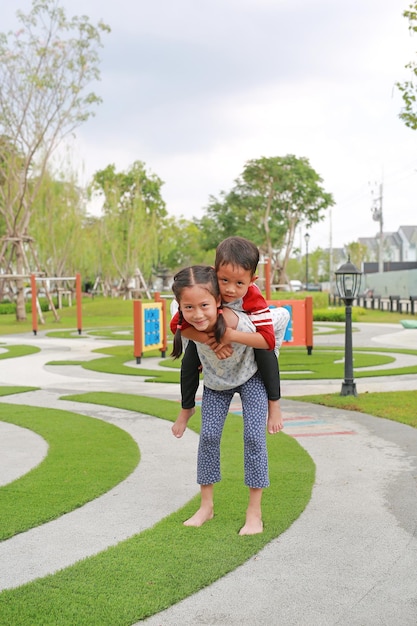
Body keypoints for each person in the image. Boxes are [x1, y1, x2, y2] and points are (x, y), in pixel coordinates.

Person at [171, 264, 280, 535]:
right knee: (208, 436)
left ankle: (254, 513)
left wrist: (273, 406)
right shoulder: (187, 324)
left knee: (254, 437)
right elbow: (182, 336)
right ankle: (206, 507)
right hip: (216, 382)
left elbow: (267, 346)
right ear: (180, 307)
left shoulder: (236, 319)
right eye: (189, 308)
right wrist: (207, 340)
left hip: (251, 376)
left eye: (205, 305)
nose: (197, 314)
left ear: (219, 301)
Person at [170, 236, 289, 436]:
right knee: (190, 353)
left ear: (251, 281)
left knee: (264, 352)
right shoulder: (207, 287)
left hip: (253, 336)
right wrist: (212, 342)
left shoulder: (252, 297)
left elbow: (267, 339)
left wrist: (231, 335)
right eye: (224, 280)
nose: (230, 289)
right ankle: (186, 407)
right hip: (214, 339)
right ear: (214, 271)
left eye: (239, 283)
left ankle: (275, 404)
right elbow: (177, 325)